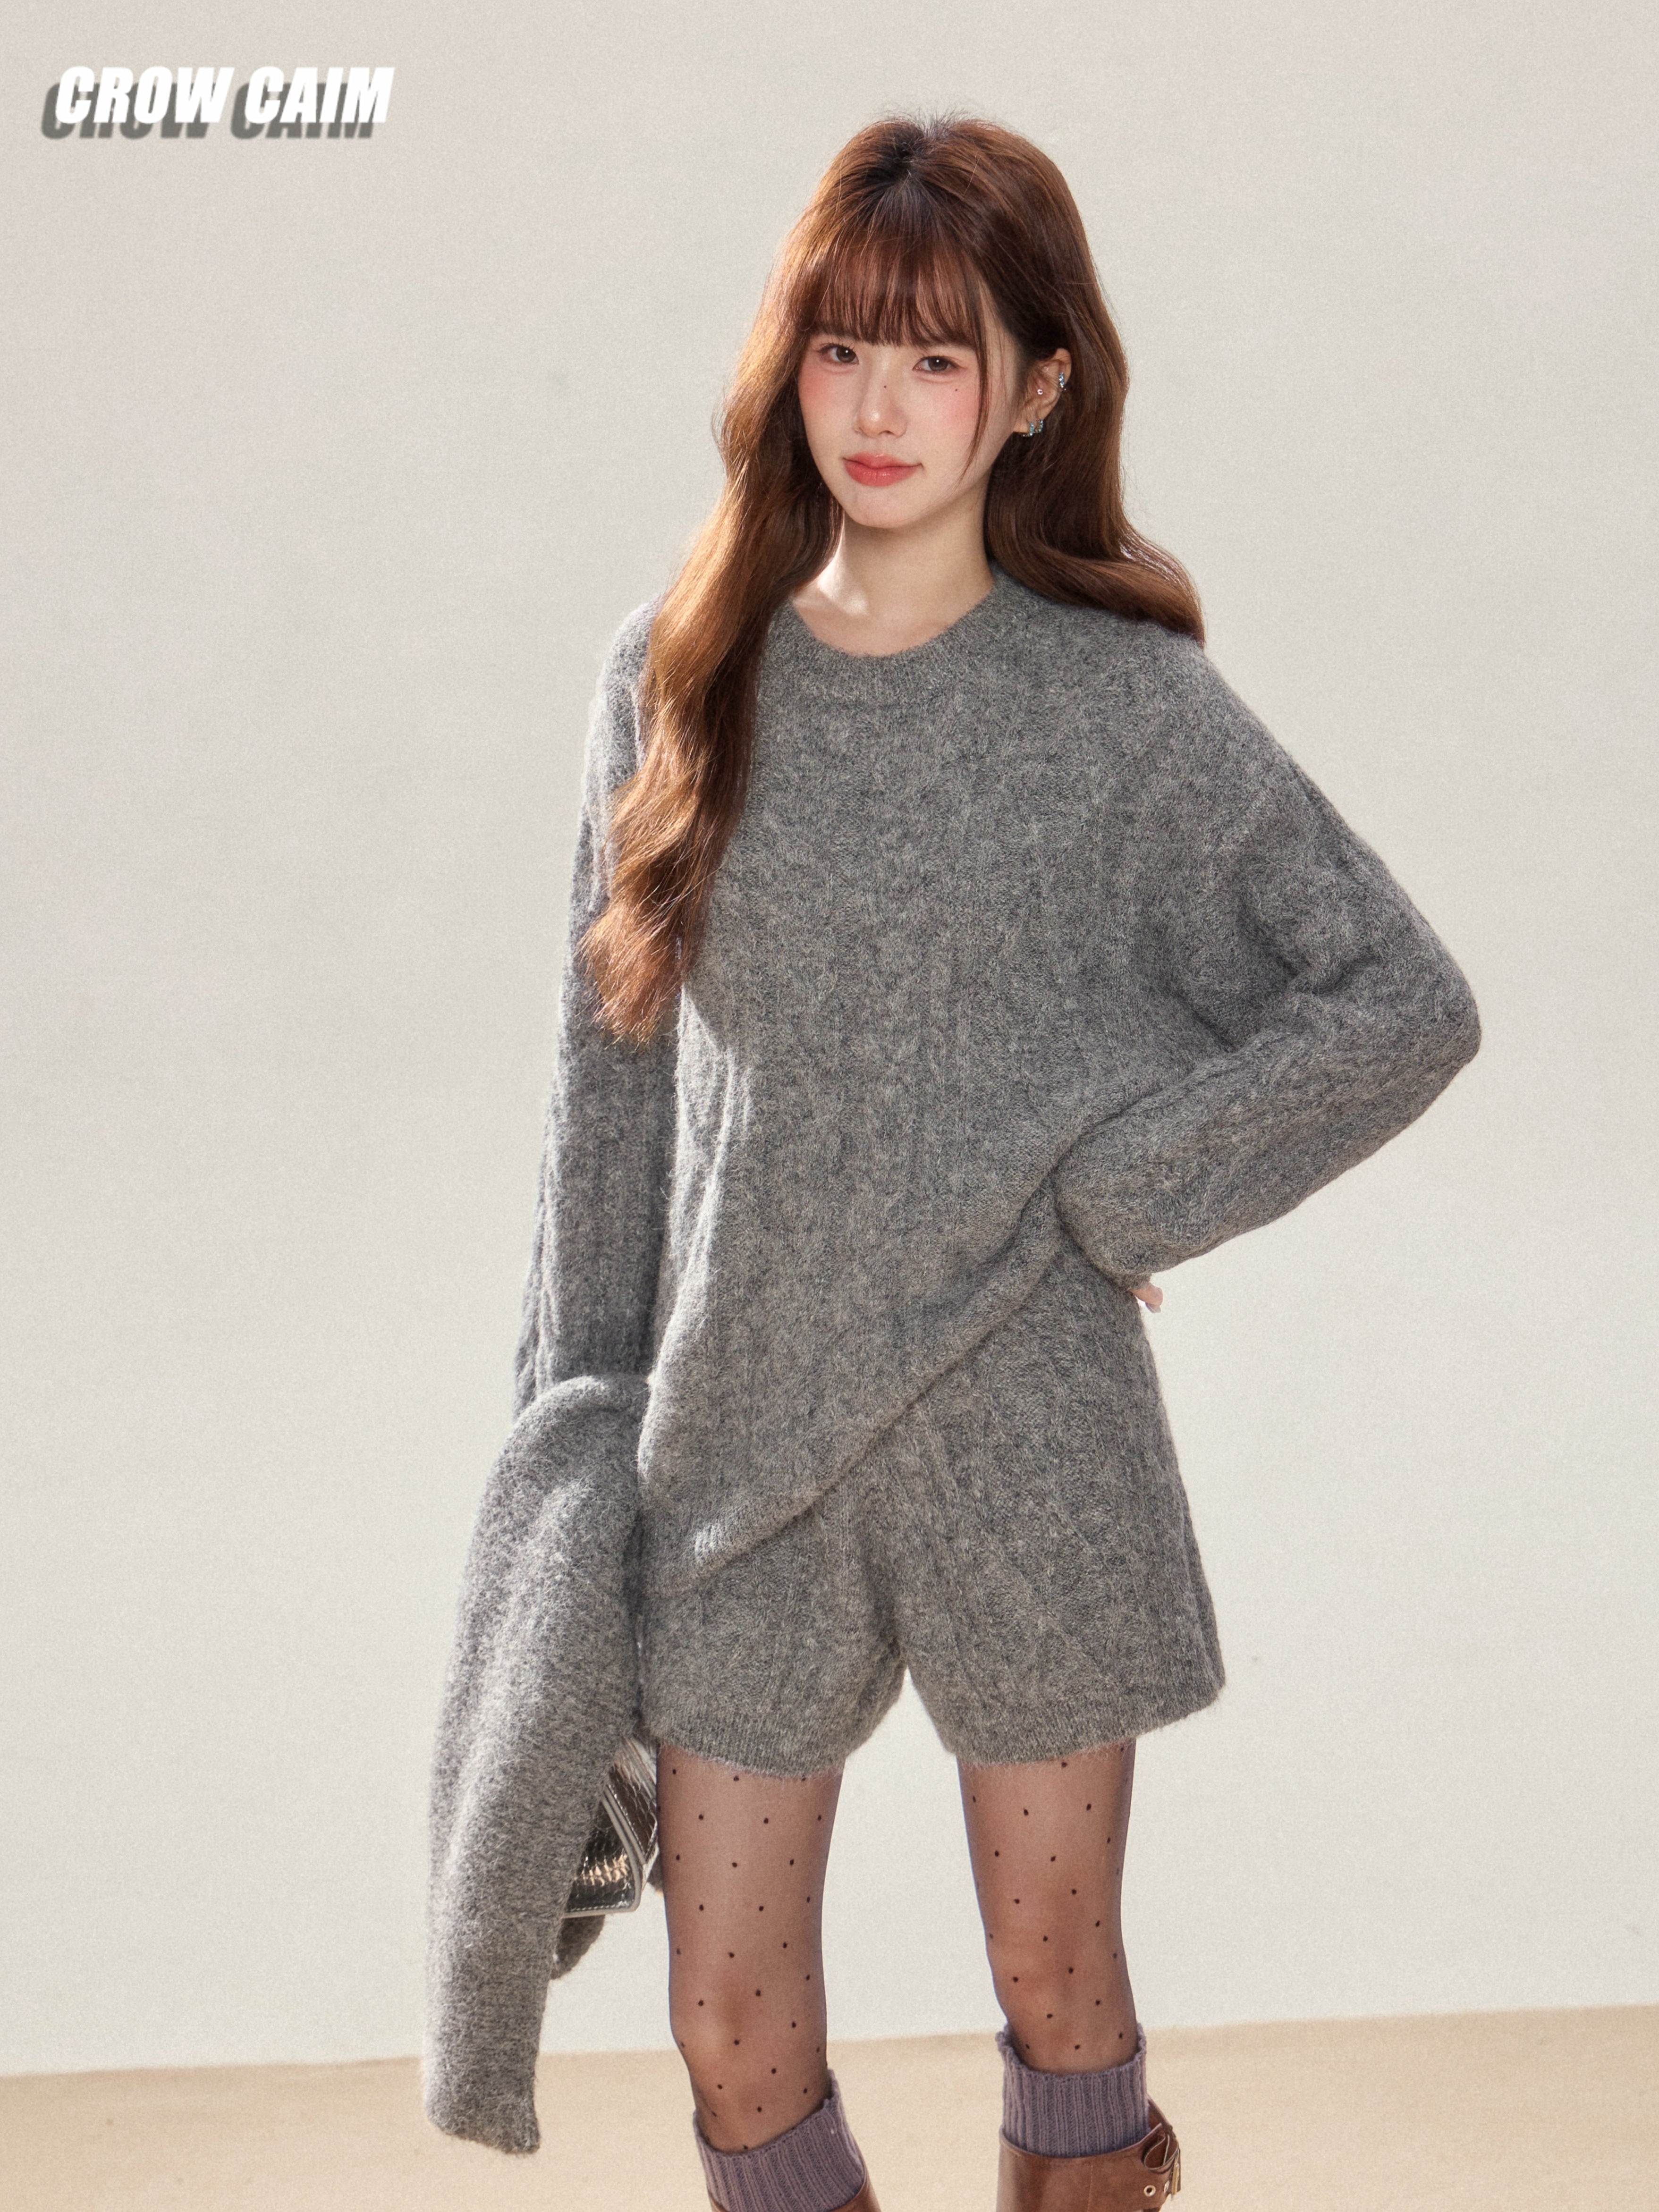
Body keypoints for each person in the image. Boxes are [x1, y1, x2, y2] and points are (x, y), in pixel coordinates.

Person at [433, 110, 1481, 2210]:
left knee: (1057, 1973)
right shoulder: (677, 674)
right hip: (743, 1441)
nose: (880, 405)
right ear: (788, 366)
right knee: (731, 2026)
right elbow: (605, 1098)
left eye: (936, 356)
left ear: (1037, 387)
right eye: (842, 348)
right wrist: (573, 1439)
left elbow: (1398, 996)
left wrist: (1128, 1187)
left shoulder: (1122, 709)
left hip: (1029, 1415)